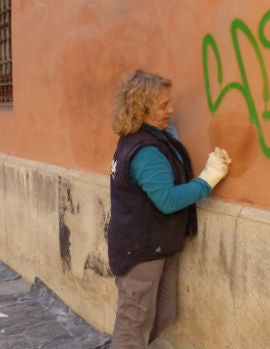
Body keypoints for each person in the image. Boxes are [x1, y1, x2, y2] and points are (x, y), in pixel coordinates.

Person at [107, 69, 232, 349]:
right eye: (163, 105)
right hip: (140, 250)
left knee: (163, 315)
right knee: (134, 327)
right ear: (142, 108)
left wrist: (167, 125)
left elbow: (168, 143)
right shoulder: (145, 151)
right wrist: (209, 178)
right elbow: (167, 200)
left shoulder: (145, 136)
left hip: (155, 244)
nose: (171, 109)